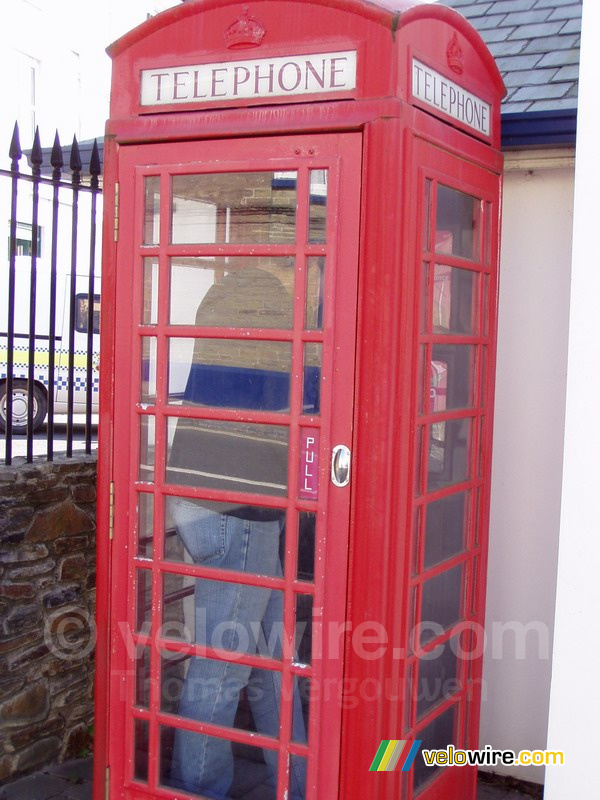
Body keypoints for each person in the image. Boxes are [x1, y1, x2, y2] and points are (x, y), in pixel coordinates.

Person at [167, 265, 306, 799]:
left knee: (271, 662)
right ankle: (194, 790)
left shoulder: (218, 297)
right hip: (242, 509)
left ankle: (297, 783)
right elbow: (306, 405)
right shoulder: (272, 307)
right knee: (223, 668)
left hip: (195, 498)